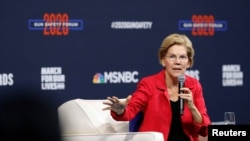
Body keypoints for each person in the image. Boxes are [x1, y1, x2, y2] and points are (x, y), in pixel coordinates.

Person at [102, 33, 211, 141]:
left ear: (188, 63)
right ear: (163, 60)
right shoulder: (149, 84)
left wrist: (192, 107)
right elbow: (130, 111)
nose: (177, 62)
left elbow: (204, 130)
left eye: (182, 57)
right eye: (172, 57)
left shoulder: (194, 85)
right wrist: (120, 110)